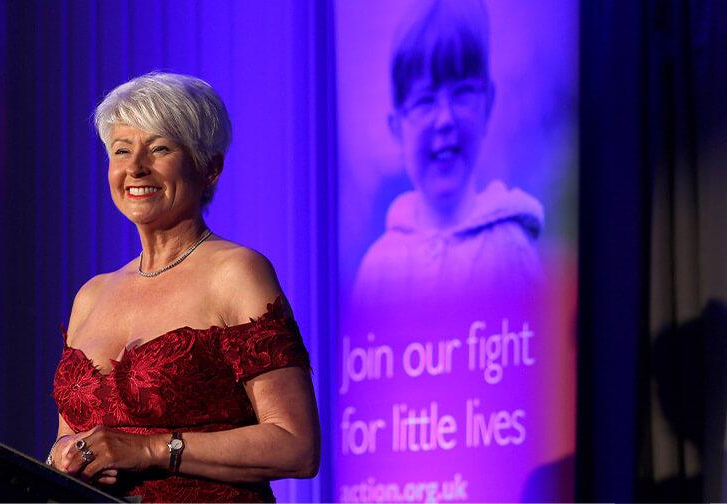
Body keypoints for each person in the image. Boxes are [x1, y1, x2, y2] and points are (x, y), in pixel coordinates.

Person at [47, 72, 319, 502]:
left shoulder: (236, 272)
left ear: (209, 168)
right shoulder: (91, 295)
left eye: (159, 148)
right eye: (121, 150)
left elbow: (296, 444)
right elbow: (68, 440)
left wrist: (151, 449)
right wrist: (63, 457)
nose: (135, 166)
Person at [352, 0, 544, 308]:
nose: (445, 120)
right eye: (425, 101)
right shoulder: (379, 269)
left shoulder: (512, 251)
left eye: (463, 93)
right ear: (397, 127)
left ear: (488, 104)